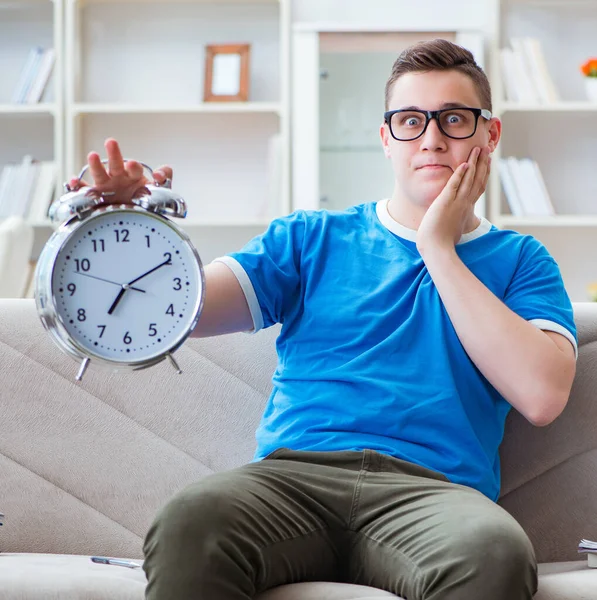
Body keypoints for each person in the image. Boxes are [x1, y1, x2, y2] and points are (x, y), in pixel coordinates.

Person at [70, 39, 577, 600]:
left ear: (490, 134)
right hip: (293, 482)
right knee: (190, 520)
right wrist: (123, 225)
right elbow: (177, 311)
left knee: (495, 553)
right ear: (386, 138)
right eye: (411, 121)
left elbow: (542, 396)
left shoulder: (522, 261)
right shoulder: (310, 238)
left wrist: (439, 247)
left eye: (454, 119)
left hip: (436, 496)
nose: (431, 139)